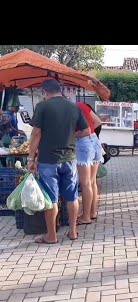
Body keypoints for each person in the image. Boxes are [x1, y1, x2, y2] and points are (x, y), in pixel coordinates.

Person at [28, 79, 90, 244]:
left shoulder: (43, 106)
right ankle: (73, 232)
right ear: (60, 91)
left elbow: (36, 133)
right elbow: (86, 130)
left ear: (44, 92)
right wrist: (71, 137)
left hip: (48, 160)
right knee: (72, 197)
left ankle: (51, 236)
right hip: (70, 159)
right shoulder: (74, 107)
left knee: (51, 199)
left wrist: (30, 158)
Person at [76, 102, 103, 225]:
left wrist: (73, 136)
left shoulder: (70, 109)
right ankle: (92, 212)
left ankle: (85, 216)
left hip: (83, 143)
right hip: (94, 140)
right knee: (92, 182)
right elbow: (97, 121)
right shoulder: (82, 105)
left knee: (85, 183)